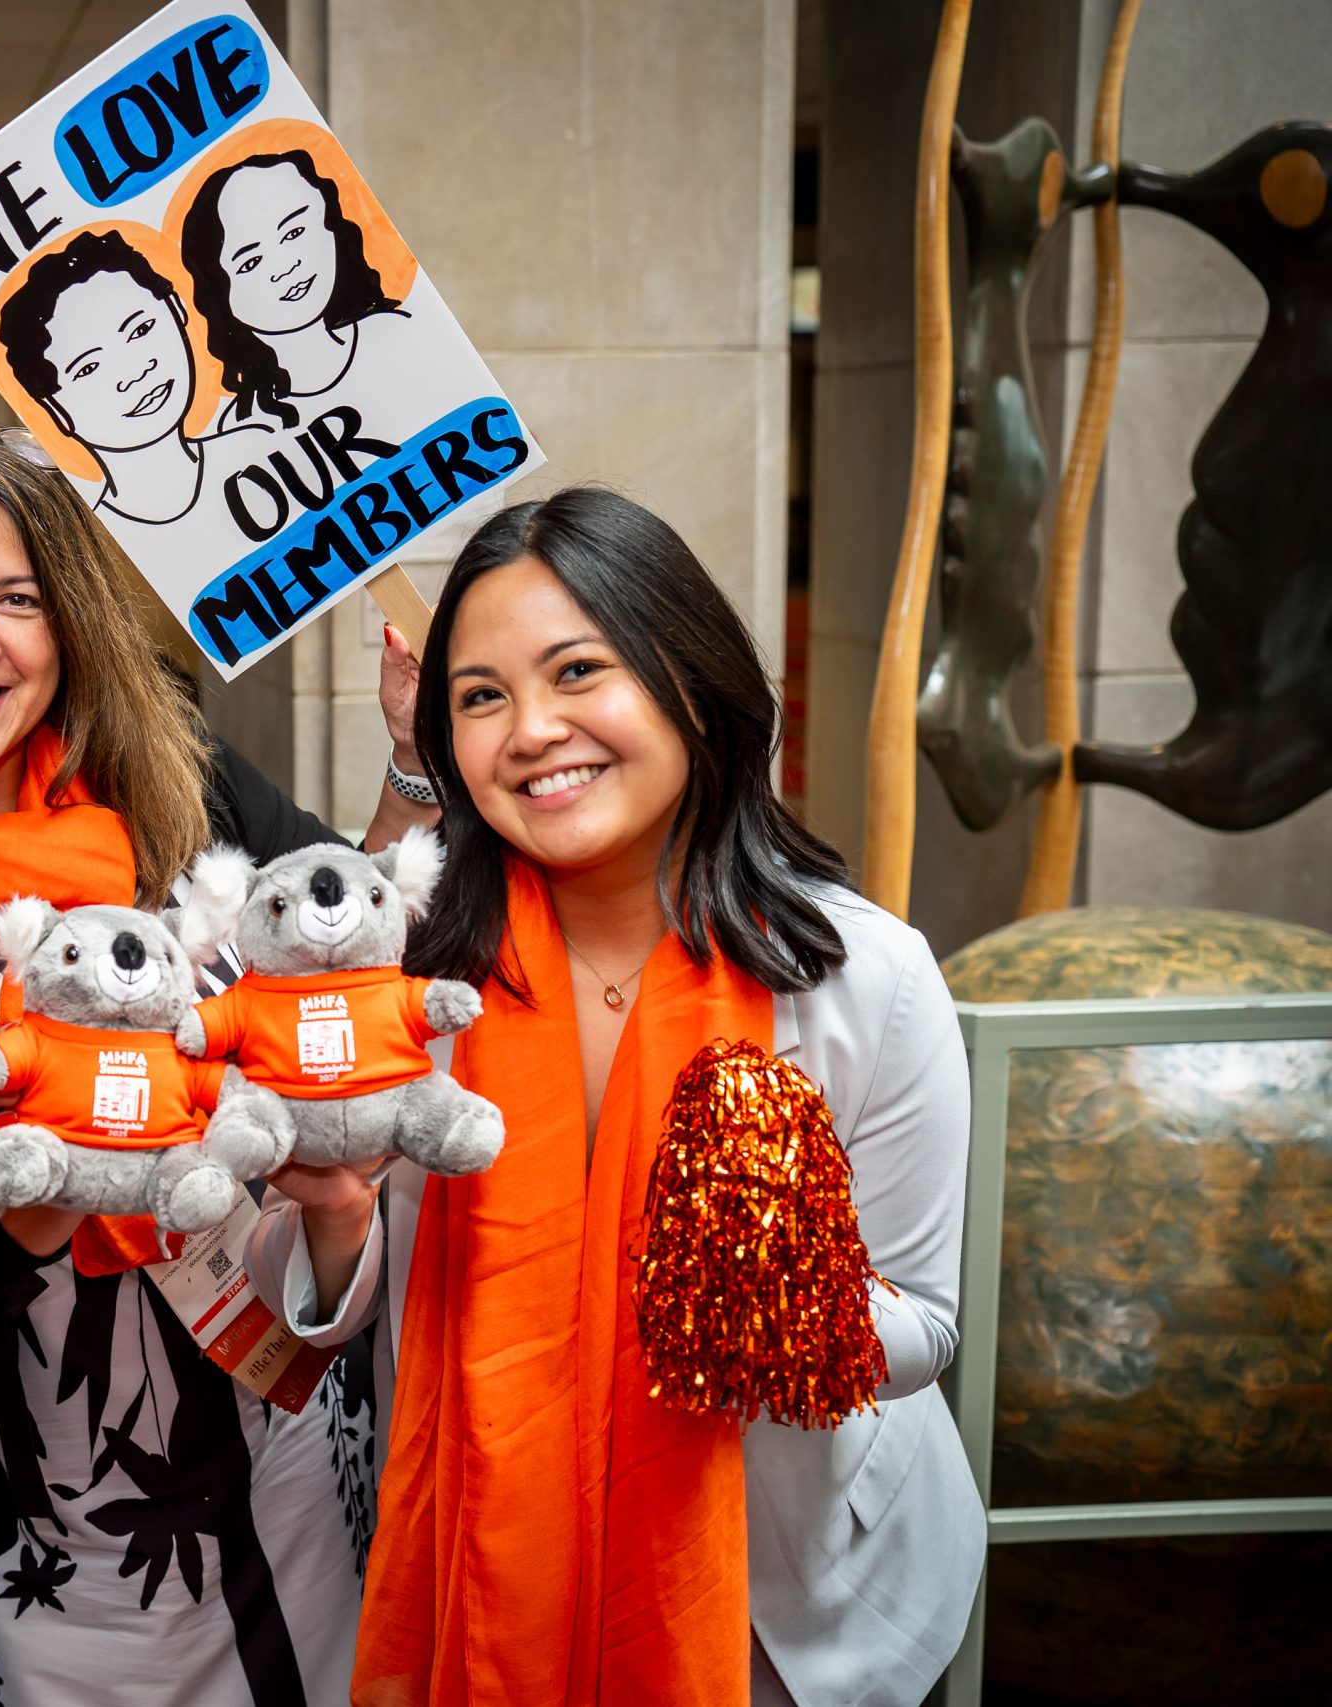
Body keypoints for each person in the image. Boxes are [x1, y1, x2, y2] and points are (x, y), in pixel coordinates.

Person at [0, 411, 439, 1706]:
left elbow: (326, 952)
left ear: (67, 624)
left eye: (18, 596)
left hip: (273, 1424)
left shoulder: (172, 780)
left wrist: (412, 753)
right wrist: (79, 1128)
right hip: (30, 1486)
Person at [252, 487, 988, 1707]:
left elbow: (928, 1328)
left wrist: (768, 1285)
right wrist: (331, 1215)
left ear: (690, 681)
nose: (531, 730)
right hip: (477, 1577)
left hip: (781, 1608)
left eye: (576, 671)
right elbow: (324, 1325)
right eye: (480, 697)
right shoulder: (410, 982)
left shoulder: (863, 977)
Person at [0, 230, 263, 527]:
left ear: (176, 310)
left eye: (141, 330)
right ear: (53, 406)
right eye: (89, 368)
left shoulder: (262, 450)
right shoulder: (86, 543)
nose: (135, 373)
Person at [179, 149, 415, 432]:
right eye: (250, 262)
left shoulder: (401, 334)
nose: (286, 267)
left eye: (294, 233)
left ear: (332, 226)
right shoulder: (245, 423)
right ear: (217, 291)